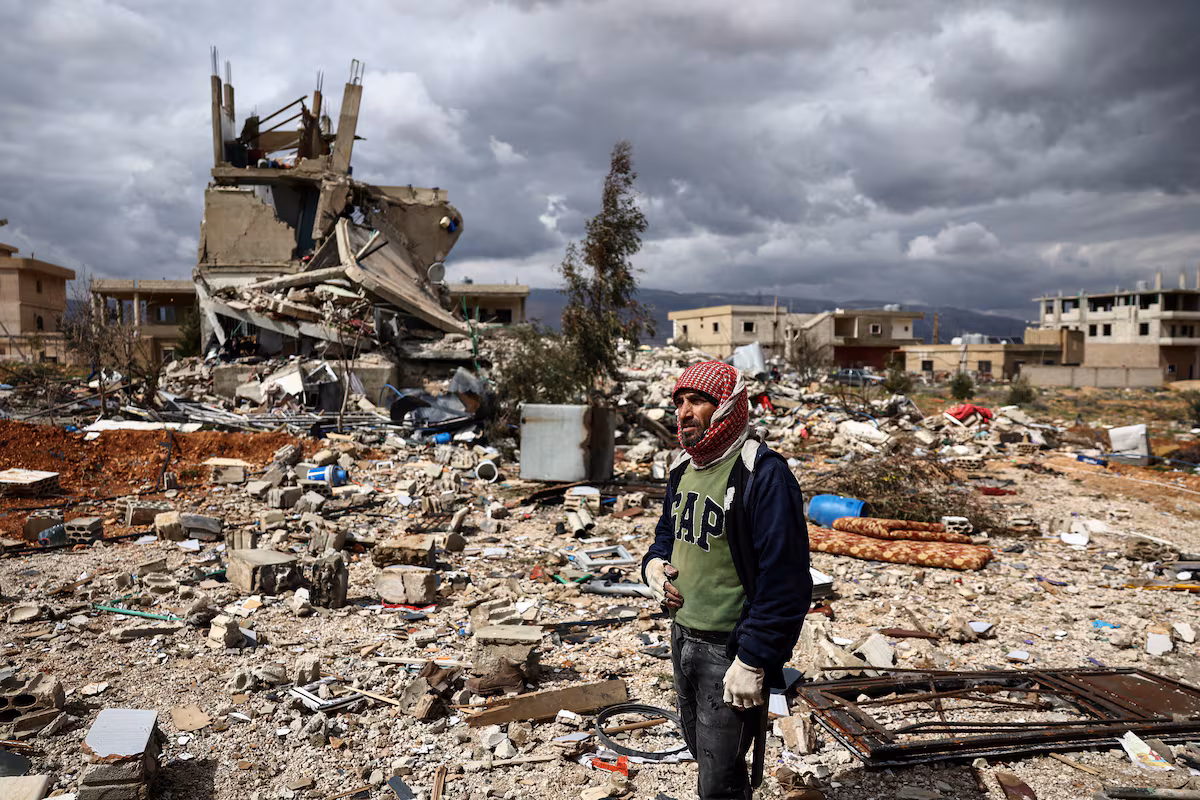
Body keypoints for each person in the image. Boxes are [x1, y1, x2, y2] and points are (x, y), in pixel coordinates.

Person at [642, 360, 811, 800]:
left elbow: (786, 578)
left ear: (727, 407)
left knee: (721, 781)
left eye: (697, 400)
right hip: (682, 638)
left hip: (729, 650)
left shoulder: (762, 474)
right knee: (702, 752)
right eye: (679, 401)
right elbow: (668, 533)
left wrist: (754, 658)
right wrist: (653, 565)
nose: (683, 411)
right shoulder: (683, 469)